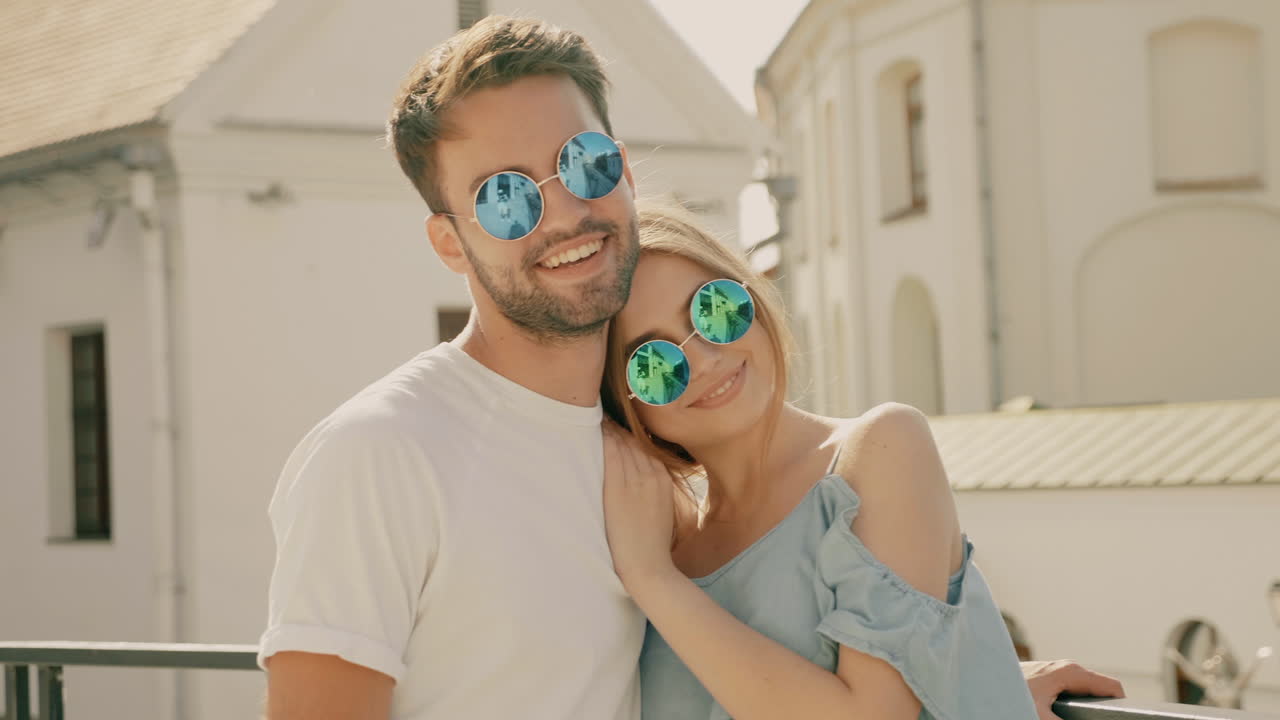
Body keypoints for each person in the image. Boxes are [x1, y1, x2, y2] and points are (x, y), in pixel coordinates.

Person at [257, 14, 1122, 720]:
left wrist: (979, 684)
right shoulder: (381, 454)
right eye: (507, 196)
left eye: (583, 164)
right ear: (451, 240)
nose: (563, 211)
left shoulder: (636, 478)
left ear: (624, 170)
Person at [599, 205, 1126, 720]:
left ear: (753, 298)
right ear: (623, 402)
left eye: (714, 309)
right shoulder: (661, 538)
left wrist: (654, 581)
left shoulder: (879, 451)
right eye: (653, 362)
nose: (703, 358)